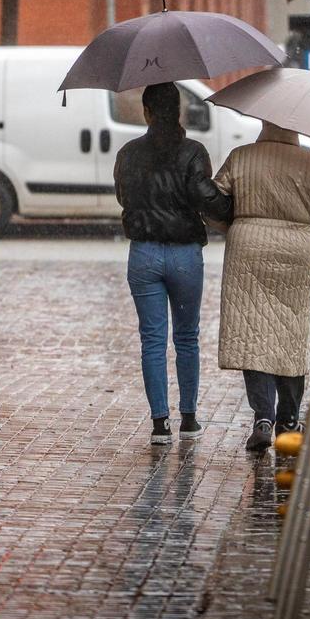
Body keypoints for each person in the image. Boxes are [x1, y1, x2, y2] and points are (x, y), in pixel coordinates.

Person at [113, 82, 235, 445]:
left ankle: (159, 423)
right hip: (184, 255)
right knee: (186, 337)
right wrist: (231, 207)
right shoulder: (193, 152)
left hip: (144, 253)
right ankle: (190, 418)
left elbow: (124, 196)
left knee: (152, 340)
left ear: (147, 112)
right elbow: (205, 197)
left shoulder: (128, 153)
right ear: (179, 111)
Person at [212, 121, 310, 452]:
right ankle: (288, 418)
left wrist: (237, 224)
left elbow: (213, 206)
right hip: (296, 253)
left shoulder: (241, 156)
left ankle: (263, 418)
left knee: (251, 334)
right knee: (290, 336)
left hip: (248, 248)